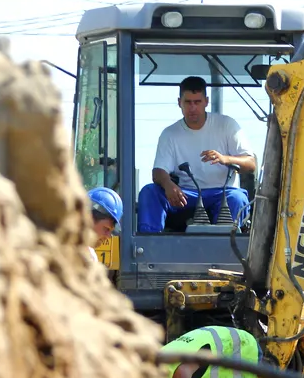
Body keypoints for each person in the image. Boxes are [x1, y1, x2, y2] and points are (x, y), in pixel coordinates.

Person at [137, 76, 257, 233]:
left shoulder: (227, 125)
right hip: (186, 195)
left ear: (206, 101)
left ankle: (229, 251)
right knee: (149, 192)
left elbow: (251, 163)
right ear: (179, 102)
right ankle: (148, 248)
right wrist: (168, 184)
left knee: (238, 198)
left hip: (222, 194)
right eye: (188, 102)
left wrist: (224, 159)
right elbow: (158, 172)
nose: (192, 108)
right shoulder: (170, 134)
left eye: (197, 102)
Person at [87, 186, 121, 263]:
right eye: (106, 229)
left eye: (111, 231)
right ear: (89, 220)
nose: (108, 236)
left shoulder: (90, 255)